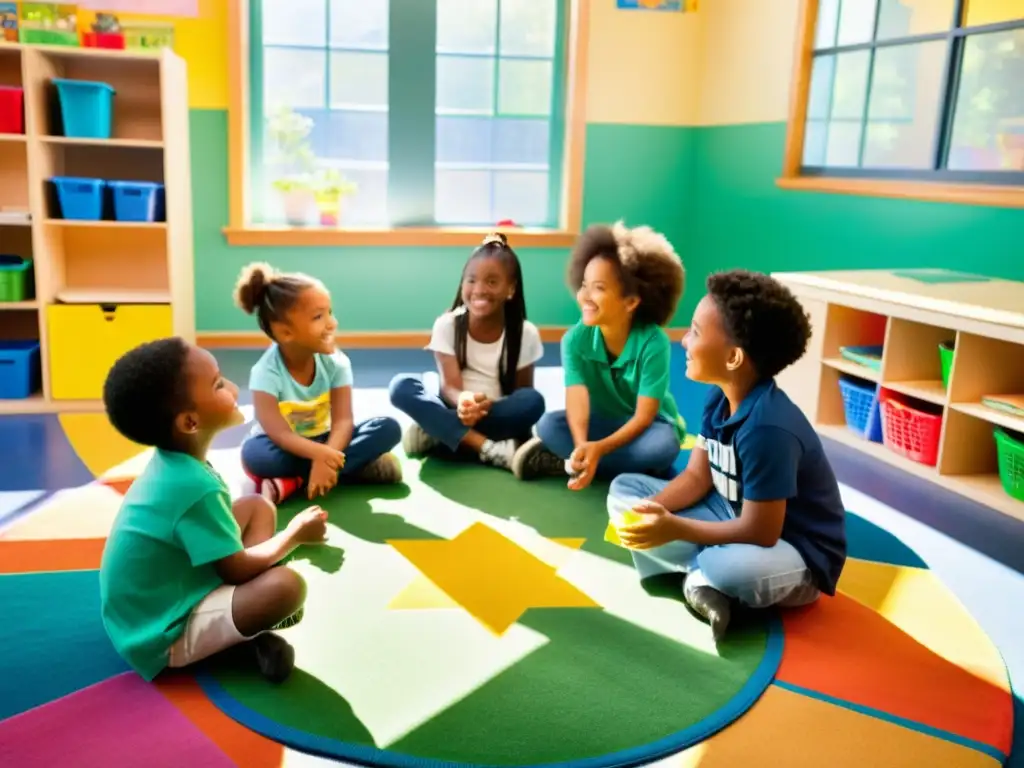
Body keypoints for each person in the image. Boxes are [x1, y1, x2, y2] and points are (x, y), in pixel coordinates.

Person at [608, 270, 847, 640]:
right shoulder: (720, 395)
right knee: (625, 490)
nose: (684, 341)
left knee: (730, 569)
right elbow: (696, 478)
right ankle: (701, 574)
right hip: (728, 514)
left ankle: (704, 576)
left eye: (696, 333)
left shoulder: (768, 429)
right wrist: (651, 512)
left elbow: (762, 531)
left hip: (794, 552)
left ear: (734, 357)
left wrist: (676, 528)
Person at [99, 337, 330, 684]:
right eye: (219, 384)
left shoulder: (177, 463)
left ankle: (247, 621)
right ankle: (247, 638)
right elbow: (235, 569)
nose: (234, 388)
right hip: (160, 633)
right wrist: (294, 535)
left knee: (257, 507)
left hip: (147, 605)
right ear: (190, 422)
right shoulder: (193, 486)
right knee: (287, 587)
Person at [512, 221, 687, 487]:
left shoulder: (654, 342)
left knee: (662, 447)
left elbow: (643, 417)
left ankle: (570, 463)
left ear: (631, 302)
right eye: (585, 284)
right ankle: (622, 469)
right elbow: (577, 399)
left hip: (646, 429)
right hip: (601, 423)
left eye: (599, 288)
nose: (585, 296)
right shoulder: (574, 340)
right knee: (548, 425)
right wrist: (583, 445)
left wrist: (599, 450)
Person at [235, 263, 402, 503]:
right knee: (255, 456)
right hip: (281, 447)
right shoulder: (265, 373)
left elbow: (343, 420)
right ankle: (352, 468)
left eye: (330, 312)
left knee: (388, 428)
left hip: (326, 438)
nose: (332, 323)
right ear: (285, 333)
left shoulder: (336, 363)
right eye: (318, 316)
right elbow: (280, 434)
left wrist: (327, 455)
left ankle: (294, 481)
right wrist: (322, 455)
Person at [389, 233, 546, 471]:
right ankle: (487, 448)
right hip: (454, 406)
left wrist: (486, 407)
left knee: (534, 402)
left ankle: (438, 433)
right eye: (471, 280)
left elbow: (522, 392)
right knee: (401, 386)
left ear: (510, 289)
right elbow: (449, 386)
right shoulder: (447, 325)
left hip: (494, 411)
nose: (479, 290)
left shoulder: (526, 333)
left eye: (492, 282)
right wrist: (464, 401)